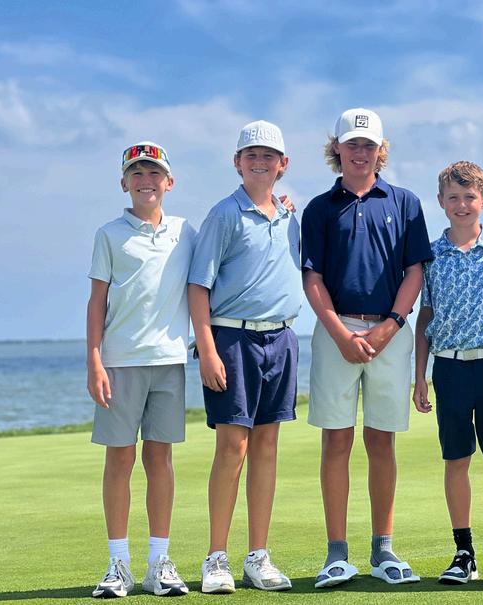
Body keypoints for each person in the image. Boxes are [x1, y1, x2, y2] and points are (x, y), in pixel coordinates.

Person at [301, 108, 432, 588]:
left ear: (381, 150)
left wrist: (390, 326)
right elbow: (312, 278)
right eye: (351, 144)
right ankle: (336, 554)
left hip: (389, 333)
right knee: (336, 440)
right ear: (336, 148)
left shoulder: (405, 202)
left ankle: (383, 550)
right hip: (335, 331)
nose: (360, 152)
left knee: (381, 440)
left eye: (368, 144)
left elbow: (415, 271)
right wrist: (340, 332)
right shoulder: (319, 208)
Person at [188, 120, 301, 593]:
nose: (259, 162)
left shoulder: (289, 215)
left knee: (267, 447)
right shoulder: (224, 214)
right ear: (237, 162)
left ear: (282, 164)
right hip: (232, 340)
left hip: (282, 338)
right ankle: (216, 557)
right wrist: (207, 349)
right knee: (232, 447)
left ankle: (258, 556)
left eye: (268, 156)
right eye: (251, 155)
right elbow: (198, 286)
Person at [87, 141, 194, 598]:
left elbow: (222, 260)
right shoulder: (109, 234)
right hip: (119, 362)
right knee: (119, 459)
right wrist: (94, 360)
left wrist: (280, 204)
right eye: (137, 173)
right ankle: (118, 564)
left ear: (169, 182)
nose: (145, 181)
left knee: (159, 459)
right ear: (124, 183)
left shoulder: (186, 232)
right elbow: (96, 301)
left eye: (154, 173)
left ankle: (158, 564)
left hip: (169, 361)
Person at [413, 161, 483, 588]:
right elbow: (425, 316)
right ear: (441, 202)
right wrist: (420, 376)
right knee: (456, 459)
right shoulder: (429, 255)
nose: (462, 205)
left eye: (470, 197)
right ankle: (463, 553)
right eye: (453, 198)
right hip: (449, 368)